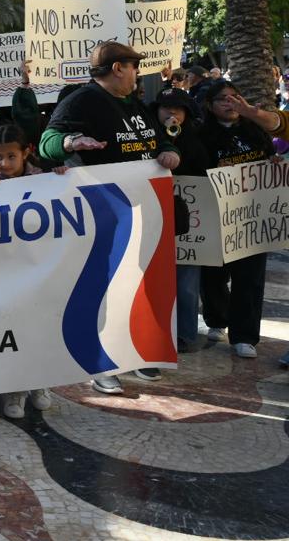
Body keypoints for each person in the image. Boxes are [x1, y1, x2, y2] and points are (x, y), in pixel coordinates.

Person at [41, 41, 180, 390]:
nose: (137, 74)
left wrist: (168, 152)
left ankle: (141, 352)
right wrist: (71, 143)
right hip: (103, 211)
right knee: (102, 286)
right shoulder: (82, 100)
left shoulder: (132, 103)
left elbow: (157, 139)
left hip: (144, 209)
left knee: (139, 283)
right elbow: (46, 143)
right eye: (134, 67)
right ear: (118, 68)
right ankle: (99, 362)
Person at [0, 124, 65, 419]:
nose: (4, 164)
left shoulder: (44, 179)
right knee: (13, 330)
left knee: (38, 329)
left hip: (39, 268)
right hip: (6, 272)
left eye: (11, 157)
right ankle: (14, 389)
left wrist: (65, 180)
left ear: (27, 153)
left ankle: (39, 384)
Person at [197, 80, 275, 359]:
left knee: (250, 278)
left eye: (234, 97)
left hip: (254, 215)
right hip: (216, 214)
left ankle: (245, 336)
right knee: (214, 273)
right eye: (222, 99)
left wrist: (274, 164)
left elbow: (270, 157)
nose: (230, 103)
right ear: (210, 104)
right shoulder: (201, 134)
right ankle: (217, 319)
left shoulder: (255, 130)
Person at [150, 87, 211, 352]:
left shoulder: (197, 137)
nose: (171, 112)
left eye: (178, 108)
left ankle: (185, 335)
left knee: (186, 283)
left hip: (185, 221)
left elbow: (204, 169)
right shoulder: (147, 134)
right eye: (166, 108)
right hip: (153, 216)